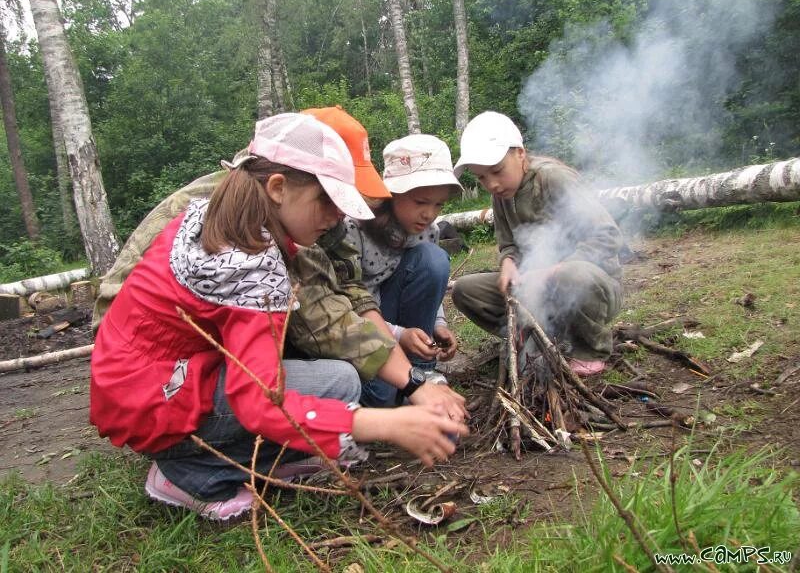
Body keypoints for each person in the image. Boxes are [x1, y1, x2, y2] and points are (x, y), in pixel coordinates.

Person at [90, 113, 468, 521]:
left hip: (141, 378)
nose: (337, 216)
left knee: (334, 381)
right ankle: (190, 474)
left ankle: (261, 457)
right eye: (327, 201)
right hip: (151, 398)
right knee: (337, 387)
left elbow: (336, 305)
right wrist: (387, 425)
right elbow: (260, 402)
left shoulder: (222, 212)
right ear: (277, 188)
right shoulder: (251, 267)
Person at [451, 111, 624, 375]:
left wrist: (551, 272)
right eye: (482, 178)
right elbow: (508, 244)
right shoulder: (501, 195)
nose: (492, 184)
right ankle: (538, 336)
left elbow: (606, 236)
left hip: (592, 287)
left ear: (520, 153)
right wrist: (508, 263)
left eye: (497, 171)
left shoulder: (553, 179)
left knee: (572, 274)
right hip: (539, 293)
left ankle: (590, 350)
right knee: (465, 290)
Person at [336, 134, 463, 406]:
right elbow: (347, 302)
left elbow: (429, 284)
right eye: (420, 202)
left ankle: (421, 369)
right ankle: (395, 381)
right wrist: (397, 335)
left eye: (438, 204)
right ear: (391, 194)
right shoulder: (354, 228)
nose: (429, 214)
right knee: (380, 398)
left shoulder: (429, 232)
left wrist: (438, 324)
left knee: (434, 259)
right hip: (359, 324)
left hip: (393, 315)